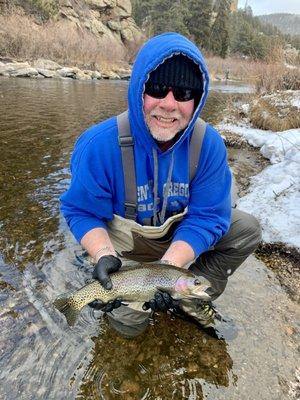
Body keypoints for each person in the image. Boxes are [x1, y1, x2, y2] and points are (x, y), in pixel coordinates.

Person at [60, 32, 261, 338]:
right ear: (138, 89)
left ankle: (189, 301)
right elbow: (81, 211)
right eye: (156, 89)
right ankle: (101, 287)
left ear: (196, 100)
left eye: (183, 93)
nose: (169, 104)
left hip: (173, 250)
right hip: (126, 253)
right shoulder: (99, 145)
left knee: (246, 228)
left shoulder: (208, 146)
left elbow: (208, 216)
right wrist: (102, 255)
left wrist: (170, 271)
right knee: (128, 328)